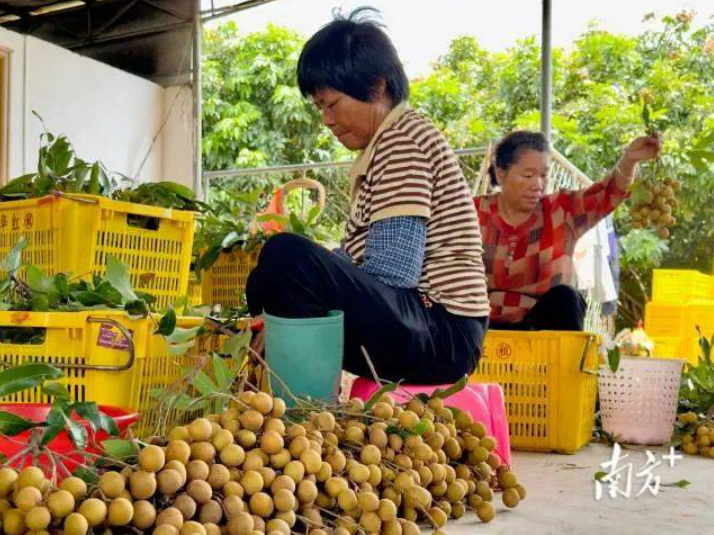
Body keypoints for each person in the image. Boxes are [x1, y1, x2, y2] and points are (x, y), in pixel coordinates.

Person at [246, 8, 490, 384]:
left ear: (376, 87)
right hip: (432, 328)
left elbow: (394, 272)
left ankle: (304, 409)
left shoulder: (401, 140)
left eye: (332, 104)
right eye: (319, 108)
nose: (326, 120)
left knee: (286, 257)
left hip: (443, 332)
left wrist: (311, 280)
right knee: (267, 276)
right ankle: (294, 404)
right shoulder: (384, 145)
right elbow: (361, 264)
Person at [475, 130, 661, 331]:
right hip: (480, 331)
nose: (538, 184)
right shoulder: (471, 213)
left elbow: (607, 193)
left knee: (567, 298)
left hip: (542, 336)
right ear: (501, 174)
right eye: (528, 175)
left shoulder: (562, 210)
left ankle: (567, 360)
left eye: (544, 175)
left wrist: (630, 159)